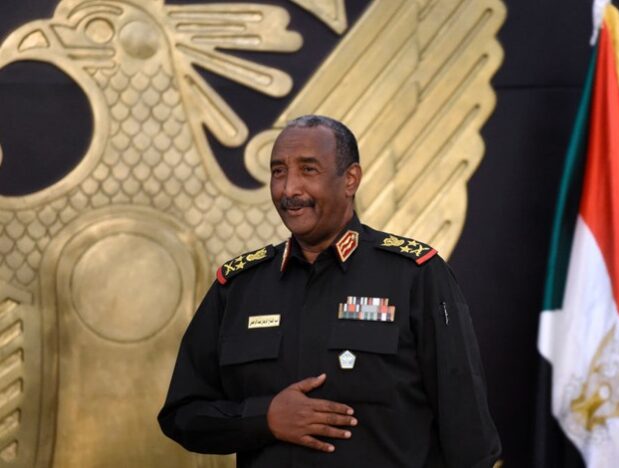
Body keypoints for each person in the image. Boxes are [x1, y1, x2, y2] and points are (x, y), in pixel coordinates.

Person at [158, 115, 501, 467]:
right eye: (278, 171)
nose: (289, 189)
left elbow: (469, 436)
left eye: (308, 170)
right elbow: (183, 414)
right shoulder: (239, 287)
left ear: (350, 179)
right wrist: (264, 418)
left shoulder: (415, 276)